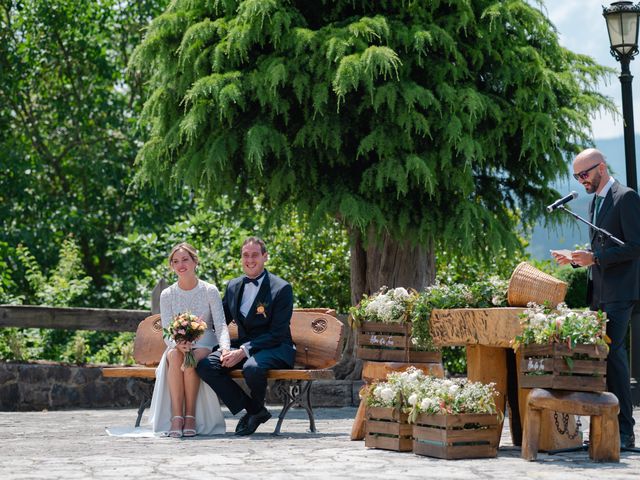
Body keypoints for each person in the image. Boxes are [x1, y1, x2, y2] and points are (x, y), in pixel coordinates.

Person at [552, 148, 640, 449]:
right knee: (600, 361)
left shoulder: (625, 197)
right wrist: (575, 259)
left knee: (614, 358)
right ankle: (606, 426)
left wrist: (595, 258)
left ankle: (625, 433)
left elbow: (635, 247)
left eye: (585, 174)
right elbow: (598, 253)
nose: (581, 181)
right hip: (600, 294)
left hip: (621, 294)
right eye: (577, 176)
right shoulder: (594, 203)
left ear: (601, 168)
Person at [196, 236, 295, 436]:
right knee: (206, 365)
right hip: (244, 346)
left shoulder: (281, 288)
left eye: (255, 255)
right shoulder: (233, 286)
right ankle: (255, 410)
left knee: (252, 367)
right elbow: (219, 318)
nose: (250, 260)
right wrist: (193, 325)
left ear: (265, 257)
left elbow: (277, 333)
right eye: (245, 255)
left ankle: (256, 410)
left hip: (276, 347)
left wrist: (243, 351)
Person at [148, 242, 230, 437]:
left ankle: (191, 416)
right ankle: (177, 417)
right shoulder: (167, 294)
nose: (180, 264)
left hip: (205, 341)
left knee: (191, 358)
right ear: (171, 266)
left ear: (195, 262)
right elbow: (167, 330)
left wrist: (225, 348)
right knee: (175, 356)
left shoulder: (210, 290)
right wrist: (177, 343)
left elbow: (220, 325)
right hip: (178, 343)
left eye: (185, 259)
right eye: (175, 261)